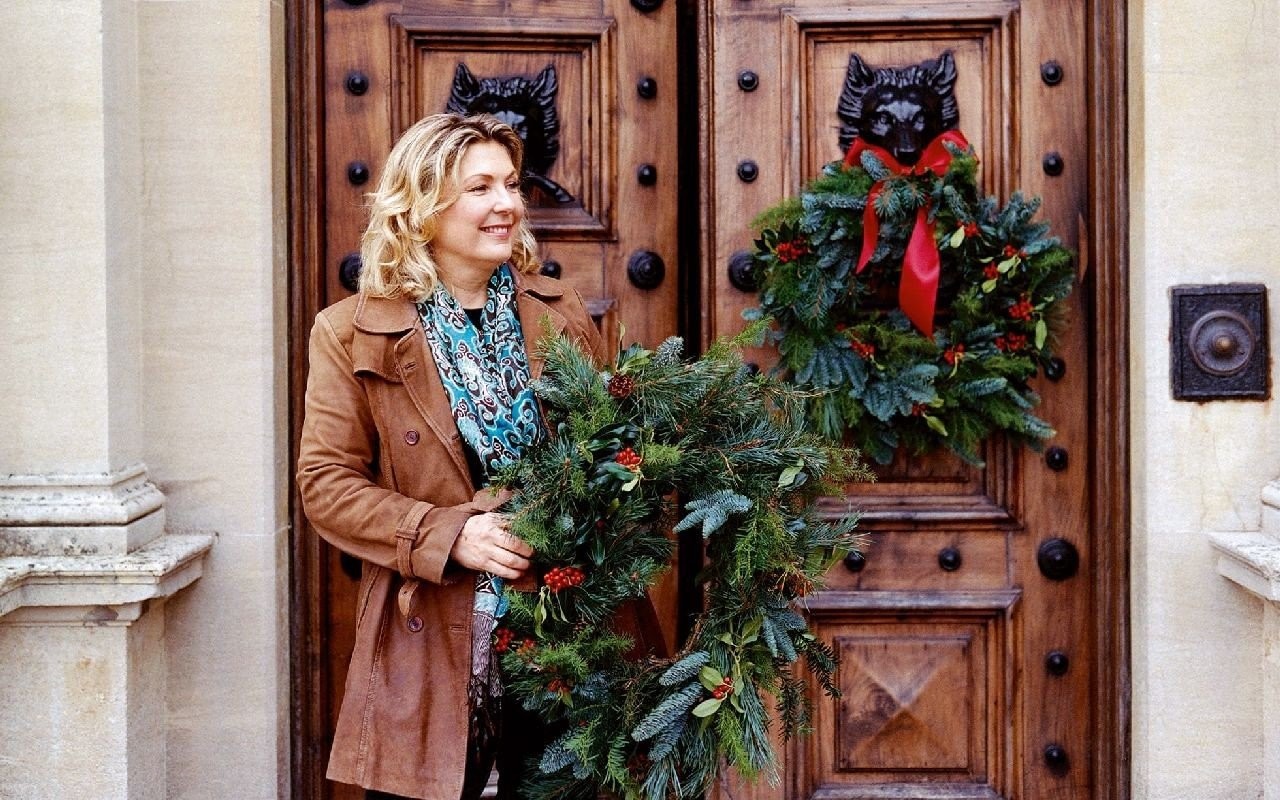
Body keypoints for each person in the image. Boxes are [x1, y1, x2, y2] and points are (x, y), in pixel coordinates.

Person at [298, 113, 645, 800]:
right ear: (422, 206)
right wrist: (453, 534)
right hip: (430, 635)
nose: (507, 204)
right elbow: (326, 485)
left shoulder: (560, 310)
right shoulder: (351, 332)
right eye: (479, 188)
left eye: (511, 185)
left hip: (567, 629)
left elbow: (613, 451)